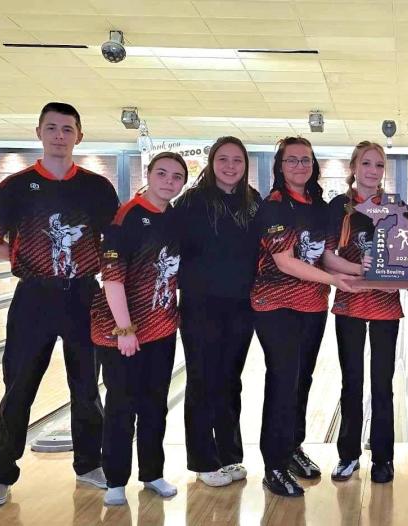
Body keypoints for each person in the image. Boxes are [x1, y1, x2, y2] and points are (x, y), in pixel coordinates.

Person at [0, 102, 119, 507]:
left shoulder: (96, 187)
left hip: (83, 295)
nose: (59, 135)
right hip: (34, 297)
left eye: (67, 129)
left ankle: (90, 464)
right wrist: (21, 259)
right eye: (52, 128)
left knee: (87, 388)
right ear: (39, 132)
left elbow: (115, 241)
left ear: (79, 136)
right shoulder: (15, 187)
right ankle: (0, 474)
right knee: (18, 388)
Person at [252, 136, 358, 497]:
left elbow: (325, 255)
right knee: (283, 382)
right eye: (292, 160)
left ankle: (292, 447)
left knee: (302, 380)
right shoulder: (273, 206)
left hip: (312, 305)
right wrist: (335, 280)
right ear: (280, 166)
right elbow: (285, 261)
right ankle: (274, 465)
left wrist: (367, 271)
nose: (300, 166)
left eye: (306, 160)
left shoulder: (318, 206)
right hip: (275, 305)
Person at [91, 152, 188, 506]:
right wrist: (125, 329)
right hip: (121, 330)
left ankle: (152, 473)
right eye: (162, 173)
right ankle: (116, 479)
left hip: (161, 327)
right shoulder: (127, 217)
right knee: (121, 405)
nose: (169, 181)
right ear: (148, 175)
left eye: (177, 177)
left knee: (154, 405)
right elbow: (112, 279)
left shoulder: (174, 218)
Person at [175, 136, 261, 487]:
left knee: (230, 381)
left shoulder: (252, 201)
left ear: (245, 165)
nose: (230, 166)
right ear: (211, 163)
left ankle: (229, 455)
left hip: (241, 306)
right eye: (223, 159)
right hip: (200, 305)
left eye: (237, 160)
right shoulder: (193, 201)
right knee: (201, 380)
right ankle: (202, 460)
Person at [324, 141, 400, 484]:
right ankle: (348, 455)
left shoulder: (394, 206)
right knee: (351, 381)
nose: (373, 170)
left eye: (379, 165)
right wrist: (358, 269)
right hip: (350, 300)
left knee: (383, 383)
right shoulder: (338, 206)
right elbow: (326, 256)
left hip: (385, 304)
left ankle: (384, 458)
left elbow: (404, 253)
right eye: (367, 163)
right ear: (354, 167)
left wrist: (394, 265)